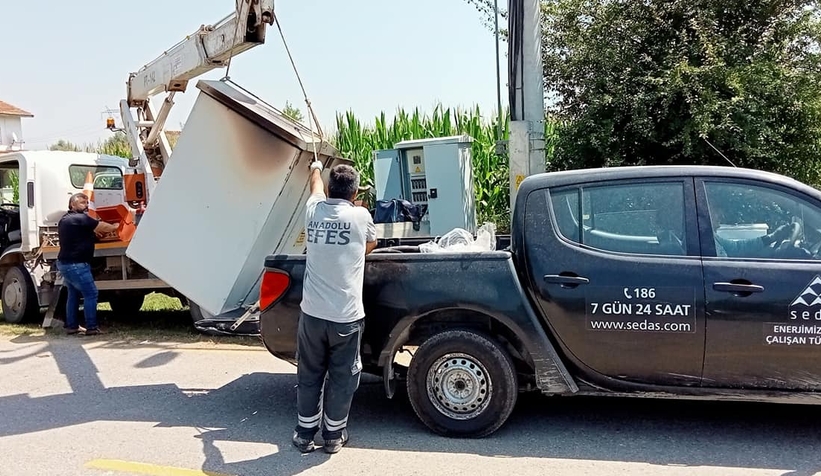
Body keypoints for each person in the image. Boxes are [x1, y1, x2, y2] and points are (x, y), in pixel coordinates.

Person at [292, 160, 377, 455]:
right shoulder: (361, 216)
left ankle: (304, 435)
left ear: (330, 188)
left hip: (312, 315)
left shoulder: (313, 210)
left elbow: (314, 185)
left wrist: (315, 167)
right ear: (354, 194)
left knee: (310, 373)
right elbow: (371, 243)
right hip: (346, 317)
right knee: (343, 377)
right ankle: (333, 436)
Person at [56, 192, 119, 335]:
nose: (86, 206)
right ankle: (91, 327)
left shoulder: (65, 220)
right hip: (77, 264)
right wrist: (115, 226)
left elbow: (81, 234)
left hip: (65, 263)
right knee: (91, 293)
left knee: (73, 294)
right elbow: (102, 226)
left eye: (87, 203)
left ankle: (72, 326)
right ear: (72, 204)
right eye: (82, 203)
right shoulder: (80, 218)